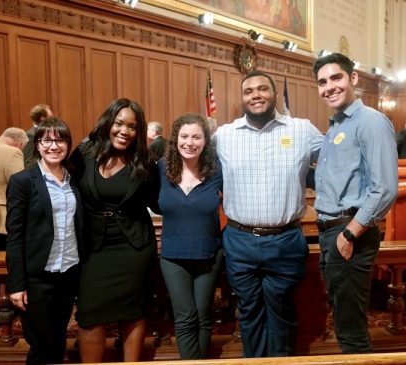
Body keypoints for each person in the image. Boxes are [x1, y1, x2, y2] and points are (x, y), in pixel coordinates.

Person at [212, 70, 323, 357]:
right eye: (249, 91)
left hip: (285, 239)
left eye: (263, 89)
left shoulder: (302, 130)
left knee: (282, 310)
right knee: (248, 312)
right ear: (242, 98)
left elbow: (338, 160)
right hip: (240, 240)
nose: (256, 95)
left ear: (275, 94)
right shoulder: (223, 136)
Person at [312, 53, 398, 353]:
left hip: (349, 233)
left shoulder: (370, 122)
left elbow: (385, 188)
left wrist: (350, 234)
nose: (329, 87)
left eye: (336, 78)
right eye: (322, 82)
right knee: (343, 319)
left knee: (351, 330)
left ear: (353, 79)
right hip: (332, 232)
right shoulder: (337, 125)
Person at [70, 98, 159, 363]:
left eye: (132, 126)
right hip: (94, 247)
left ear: (139, 131)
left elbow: (158, 201)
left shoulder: (145, 162)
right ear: (108, 123)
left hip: (133, 248)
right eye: (119, 123)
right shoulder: (84, 155)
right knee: (89, 314)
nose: (124, 131)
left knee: (133, 312)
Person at [6, 118, 83, 365]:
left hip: (69, 273)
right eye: (46, 140)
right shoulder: (23, 181)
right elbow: (15, 235)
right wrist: (16, 283)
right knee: (42, 344)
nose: (53, 146)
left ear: (68, 144)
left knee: (59, 339)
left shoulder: (74, 179)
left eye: (59, 140)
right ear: (37, 145)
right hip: (37, 276)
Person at [158, 113, 223, 359]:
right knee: (185, 317)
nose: (190, 142)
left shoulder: (216, 169)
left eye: (196, 137)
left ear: (206, 140)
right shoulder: (163, 168)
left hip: (208, 253)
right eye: (184, 136)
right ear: (175, 140)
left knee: (204, 315)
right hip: (173, 256)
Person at [23, 104, 54, 168]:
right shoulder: (31, 135)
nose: (53, 120)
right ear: (42, 118)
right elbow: (29, 161)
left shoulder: (47, 132)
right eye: (50, 117)